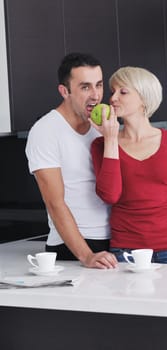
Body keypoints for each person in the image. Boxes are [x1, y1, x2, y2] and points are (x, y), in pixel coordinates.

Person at [90, 66, 167, 264]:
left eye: (123, 92)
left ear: (144, 98)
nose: (113, 98)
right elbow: (110, 195)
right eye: (113, 92)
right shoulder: (101, 145)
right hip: (127, 251)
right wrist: (110, 139)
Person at [25, 53, 118, 269]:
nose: (96, 95)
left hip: (114, 241)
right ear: (64, 91)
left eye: (99, 85)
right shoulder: (45, 131)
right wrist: (86, 256)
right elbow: (55, 203)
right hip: (73, 247)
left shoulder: (104, 128)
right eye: (85, 87)